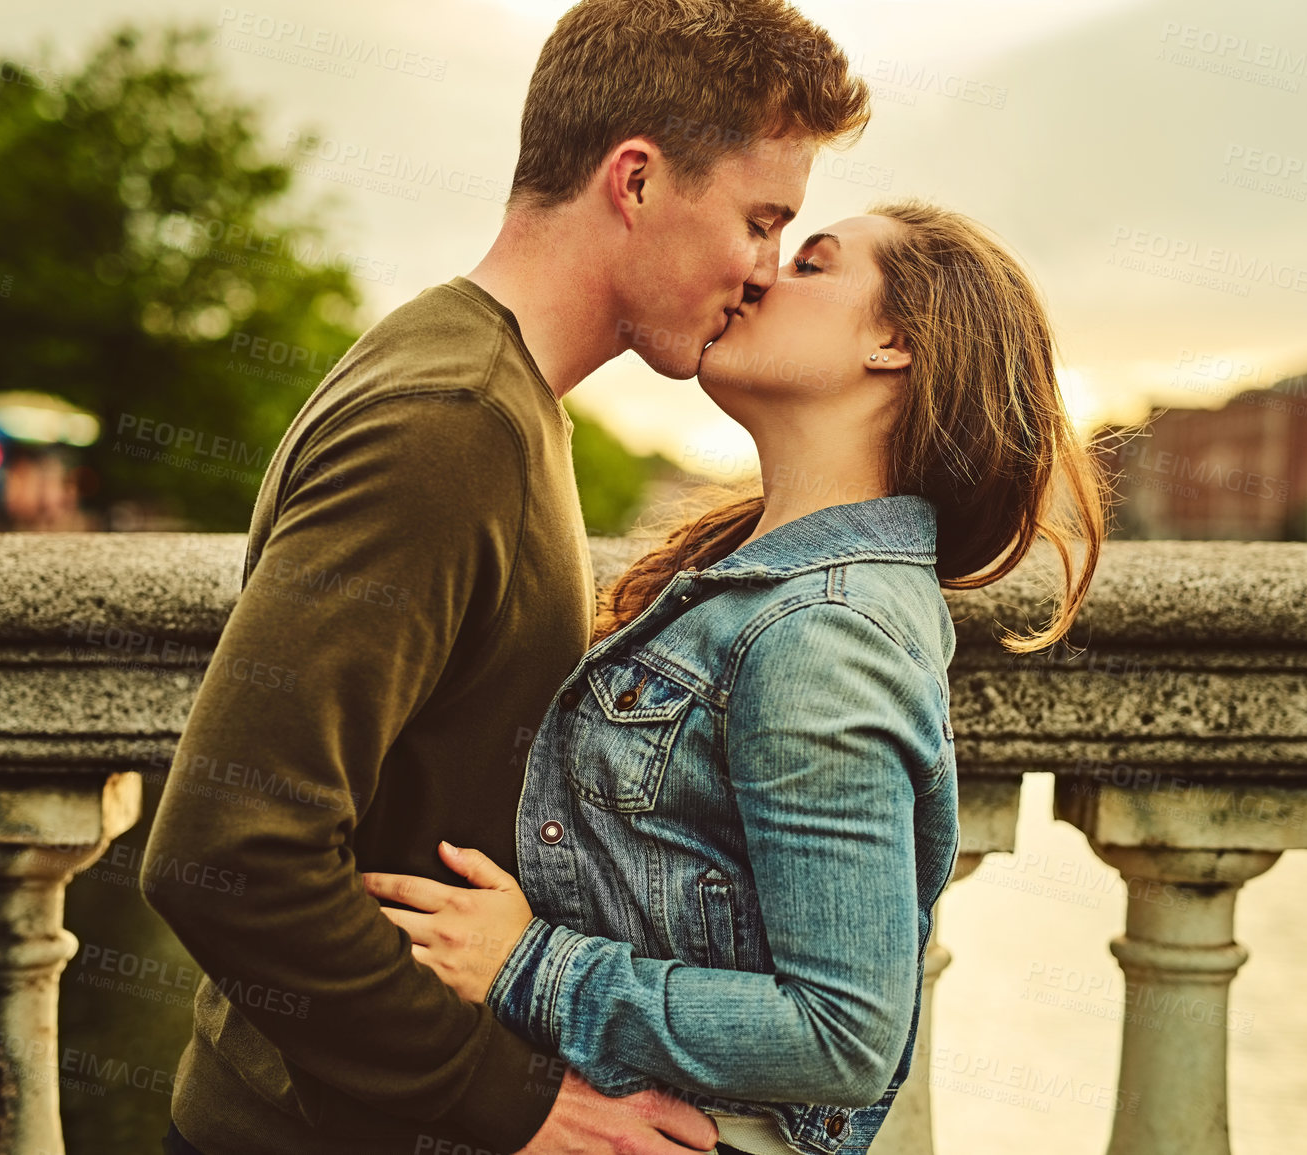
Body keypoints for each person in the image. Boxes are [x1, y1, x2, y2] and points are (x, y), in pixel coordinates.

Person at [139, 2, 871, 1153]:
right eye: (762, 220)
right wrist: (513, 1101)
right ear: (634, 180)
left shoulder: (488, 388)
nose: (765, 272)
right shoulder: (454, 423)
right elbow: (226, 852)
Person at [361, 201, 1107, 1154]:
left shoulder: (823, 632)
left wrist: (529, 964)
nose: (758, 276)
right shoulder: (766, 583)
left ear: (893, 342)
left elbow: (842, 1034)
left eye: (811, 264)